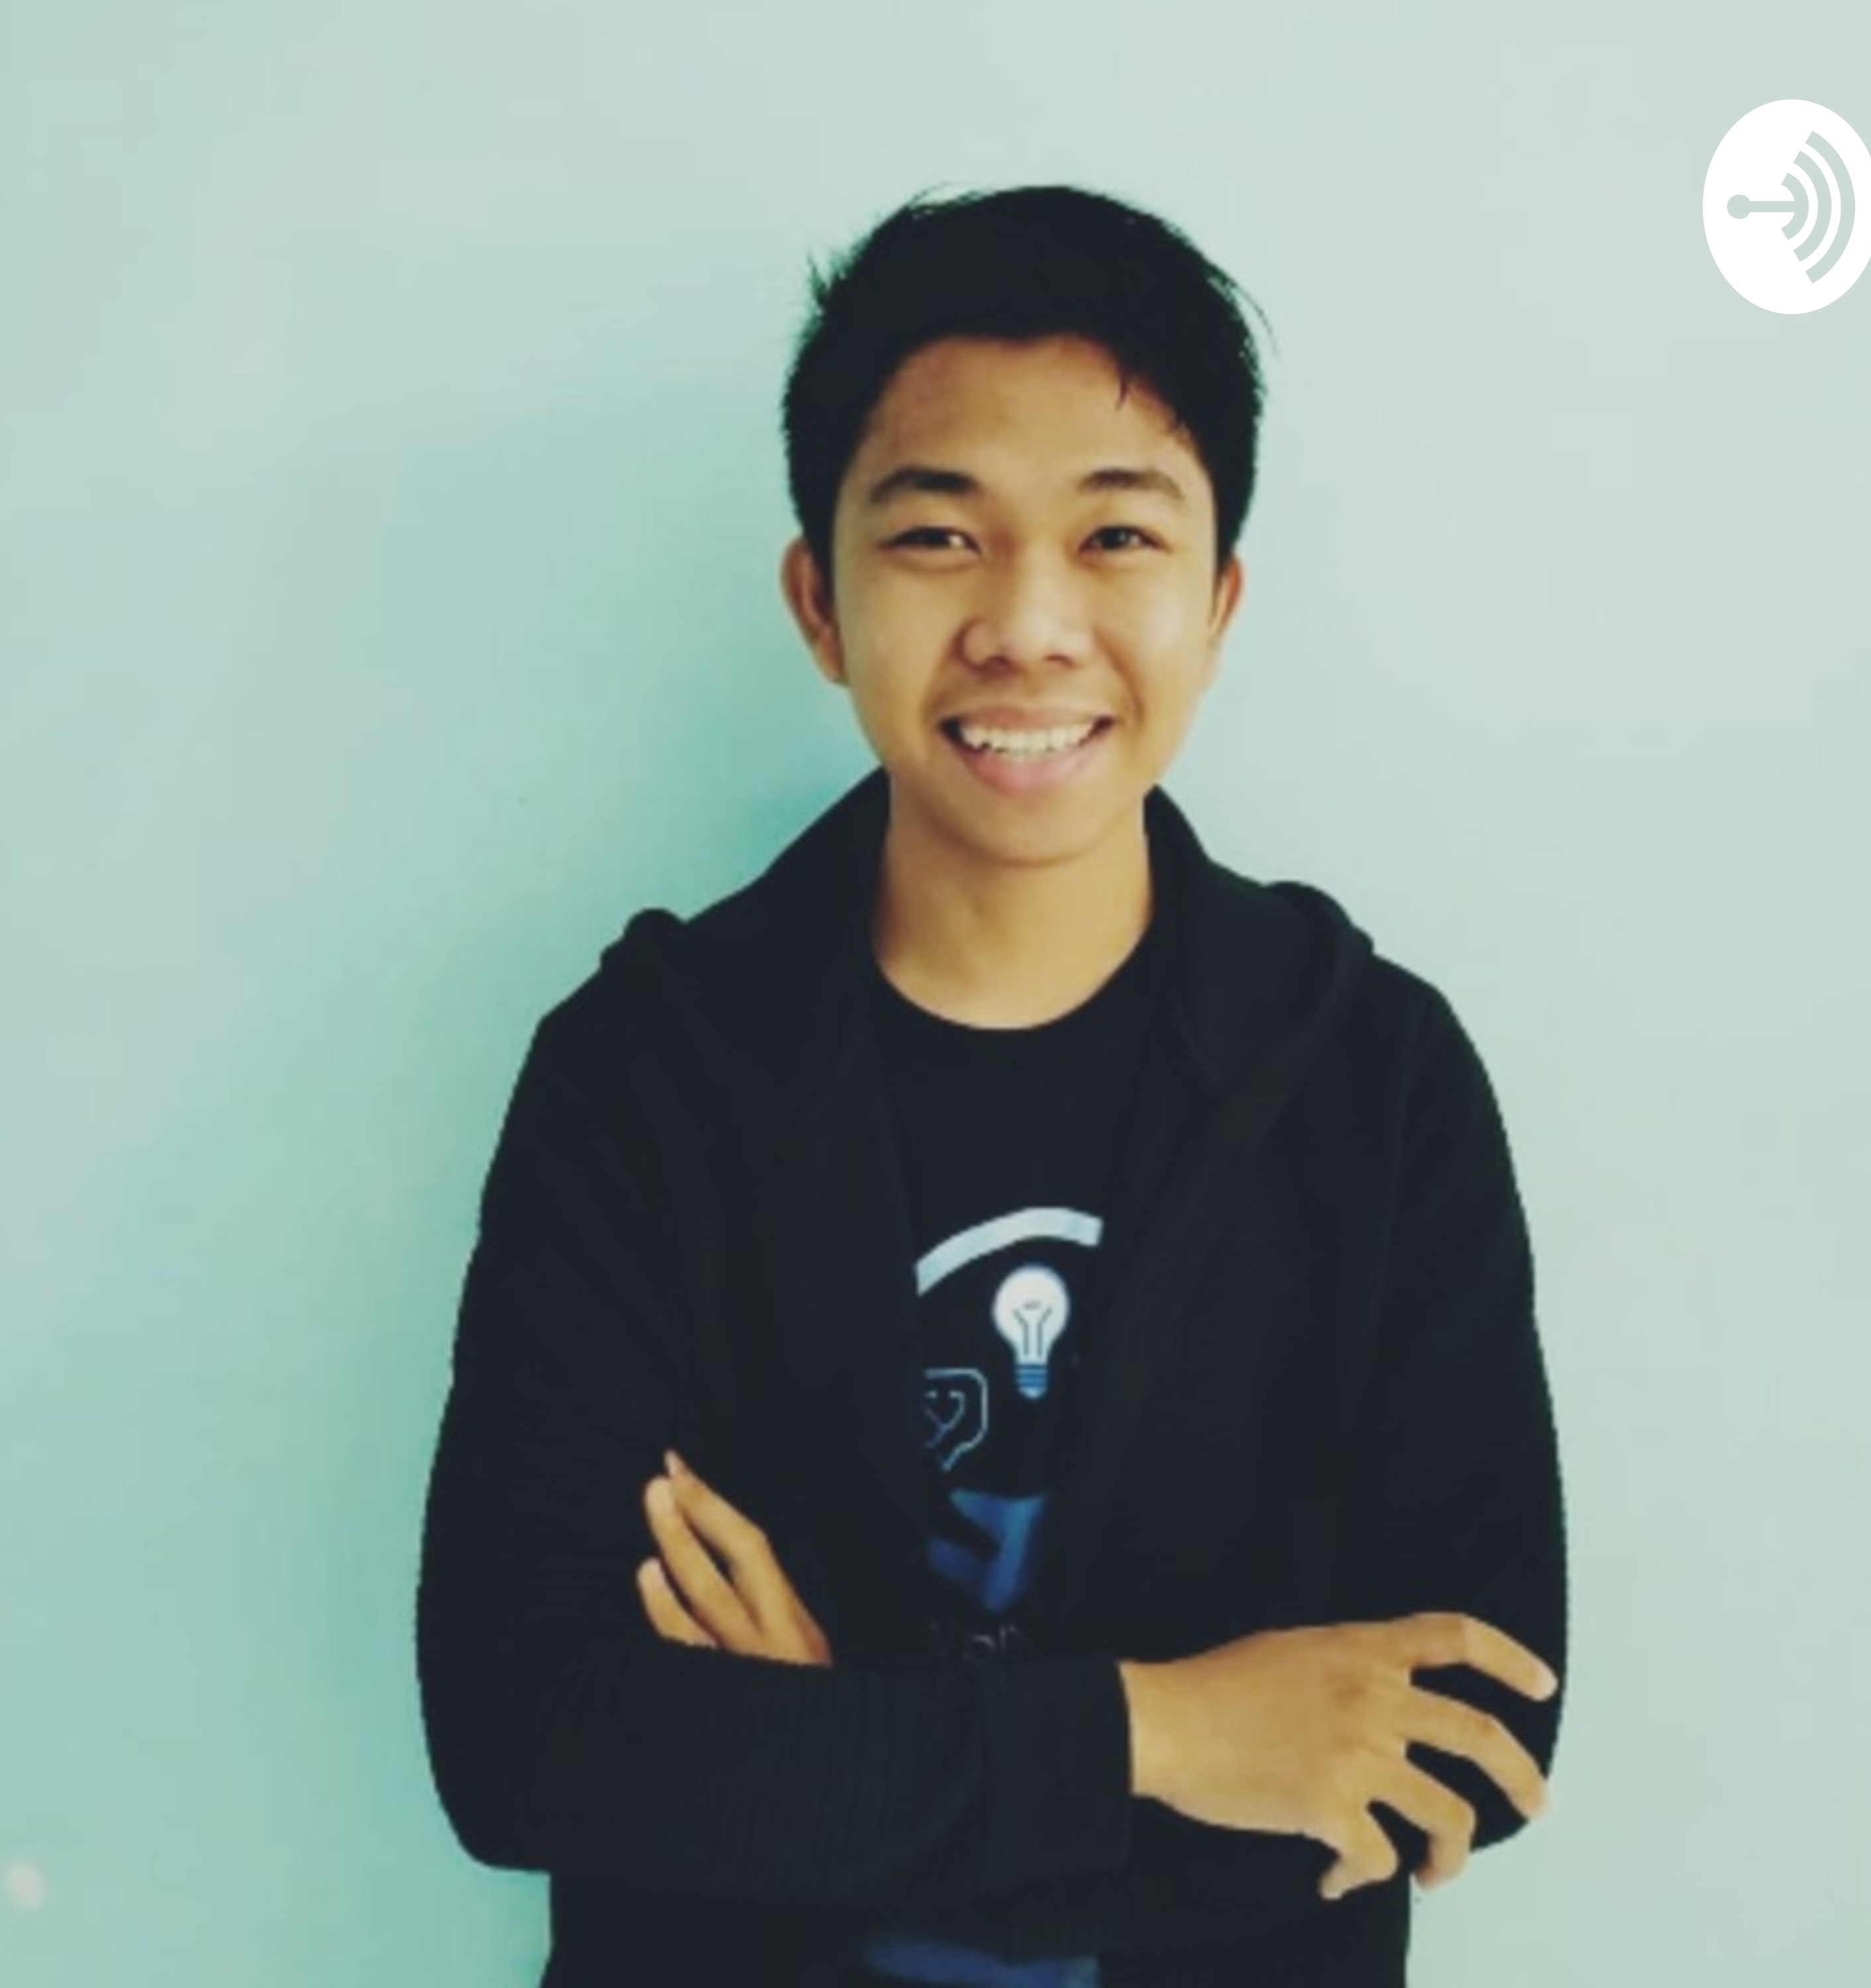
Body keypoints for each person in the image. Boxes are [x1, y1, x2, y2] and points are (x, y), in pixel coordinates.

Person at [415, 181, 1568, 1988]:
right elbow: (527, 1743)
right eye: (942, 535)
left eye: (1116, 537)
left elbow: (1458, 1750)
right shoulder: (644, 1079)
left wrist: (830, 1754)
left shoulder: (1379, 1085)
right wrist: (1170, 1734)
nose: (1031, 625)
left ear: (1219, 600)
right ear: (820, 600)